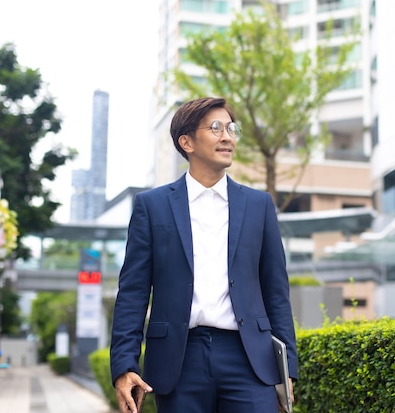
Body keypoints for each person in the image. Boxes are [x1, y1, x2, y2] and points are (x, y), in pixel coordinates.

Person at [110, 97, 298, 413]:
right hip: (179, 360)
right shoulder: (152, 206)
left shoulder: (258, 205)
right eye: (215, 128)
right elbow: (133, 293)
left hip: (249, 359)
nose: (227, 136)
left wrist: (287, 368)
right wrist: (124, 365)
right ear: (187, 142)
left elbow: (276, 290)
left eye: (231, 128)